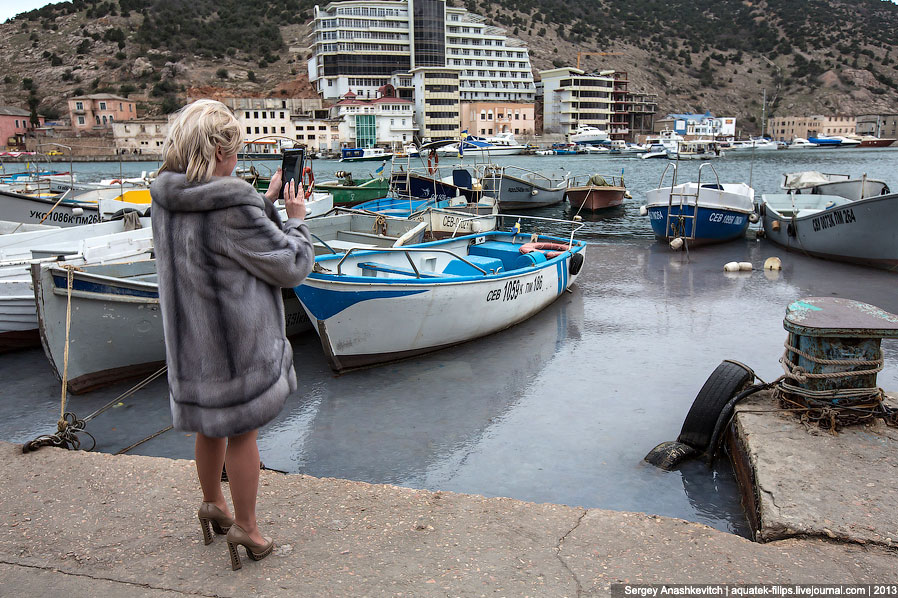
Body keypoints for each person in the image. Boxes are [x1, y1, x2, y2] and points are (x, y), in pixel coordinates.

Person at [149, 99, 314, 570]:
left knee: (209, 425)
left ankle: (211, 505)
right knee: (243, 432)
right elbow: (291, 265)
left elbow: (217, 233)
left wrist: (266, 200)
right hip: (237, 344)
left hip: (192, 346)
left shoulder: (166, 196)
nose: (238, 157)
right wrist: (296, 217)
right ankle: (248, 527)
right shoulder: (232, 203)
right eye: (236, 148)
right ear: (220, 149)